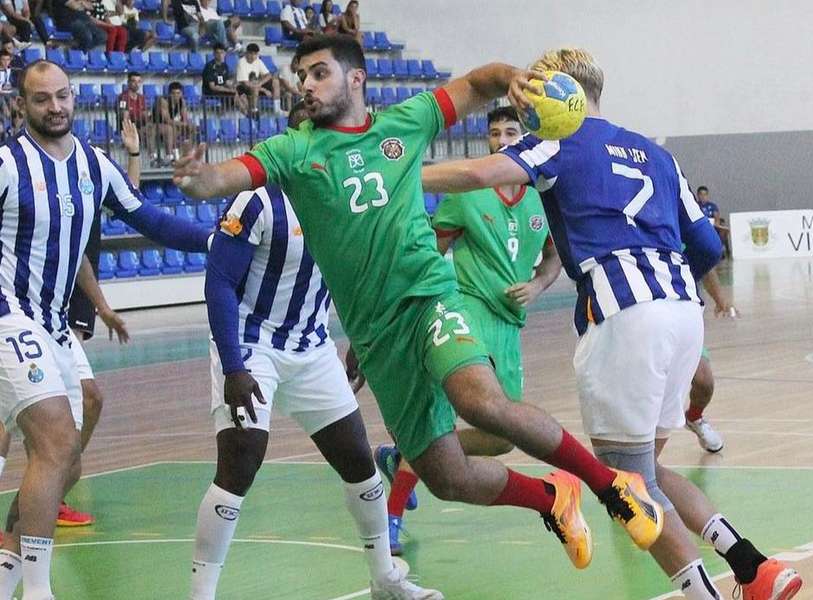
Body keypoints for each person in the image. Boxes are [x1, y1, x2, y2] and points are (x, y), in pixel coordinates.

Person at [174, 34, 665, 577]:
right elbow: (226, 177)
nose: (306, 86)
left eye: (318, 73)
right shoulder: (293, 150)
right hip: (376, 336)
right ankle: (553, 499)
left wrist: (509, 77)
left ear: (355, 78)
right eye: (301, 76)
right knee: (446, 476)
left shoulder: (405, 123)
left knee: (481, 403)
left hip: (429, 297)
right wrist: (202, 181)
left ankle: (612, 485)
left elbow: (477, 84)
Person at [421, 48, 803, 600]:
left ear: (561, 92)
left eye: (533, 91)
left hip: (624, 314)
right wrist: (671, 307)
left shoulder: (560, 138)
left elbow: (479, 172)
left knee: (626, 485)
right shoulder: (656, 153)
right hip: (679, 309)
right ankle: (753, 567)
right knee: (644, 469)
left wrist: (402, 171)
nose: (525, 105)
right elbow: (706, 245)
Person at [190, 99, 443, 600]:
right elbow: (218, 282)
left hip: (312, 345)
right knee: (241, 461)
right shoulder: (255, 200)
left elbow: (352, 271)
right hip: (252, 344)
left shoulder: (341, 195)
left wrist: (354, 337)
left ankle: (384, 579)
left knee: (359, 464)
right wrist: (235, 367)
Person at [0, 60, 211, 600]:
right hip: (8, 316)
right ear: (21, 106)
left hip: (53, 325)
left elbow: (151, 220)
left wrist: (217, 238)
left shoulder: (94, 166)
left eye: (63, 96)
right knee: (55, 440)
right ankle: (40, 592)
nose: (55, 107)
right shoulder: (6, 164)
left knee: (62, 459)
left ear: (75, 98)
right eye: (41, 98)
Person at [376, 105, 563, 555]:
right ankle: (391, 520)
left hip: (509, 324)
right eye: (494, 133)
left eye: (510, 132)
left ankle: (407, 456)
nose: (501, 140)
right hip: (466, 310)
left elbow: (556, 256)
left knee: (502, 439)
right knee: (442, 413)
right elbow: (432, 249)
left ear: (528, 137)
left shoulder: (544, 198)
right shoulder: (466, 194)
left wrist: (538, 284)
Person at [683, 266, 738, 454]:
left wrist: (720, 299)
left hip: (681, 318)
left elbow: (705, 263)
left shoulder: (682, 237)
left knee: (704, 382)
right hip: (642, 320)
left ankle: (695, 418)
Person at [153, 81, 196, 166]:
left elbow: (185, 118)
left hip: (171, 126)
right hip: (157, 125)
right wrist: (183, 124)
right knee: (170, 129)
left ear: (181, 94)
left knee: (192, 127)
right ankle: (171, 156)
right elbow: (167, 120)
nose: (176, 96)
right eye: (173, 93)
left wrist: (187, 125)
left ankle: (188, 153)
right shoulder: (163, 101)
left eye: (178, 93)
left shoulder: (182, 102)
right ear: (169, 94)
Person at [235, 43, 281, 116]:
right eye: (251, 54)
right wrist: (263, 89)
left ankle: (277, 108)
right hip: (244, 88)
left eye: (255, 54)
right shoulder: (241, 62)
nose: (253, 56)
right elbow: (245, 83)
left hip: (256, 85)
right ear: (246, 53)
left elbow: (268, 75)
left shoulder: (258, 61)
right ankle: (254, 110)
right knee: (255, 88)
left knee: (275, 81)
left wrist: (260, 84)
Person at [202, 43, 247, 113]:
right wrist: (229, 90)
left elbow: (226, 82)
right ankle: (247, 114)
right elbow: (212, 87)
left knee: (242, 91)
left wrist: (234, 85)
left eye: (222, 53)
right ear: (214, 54)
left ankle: (249, 111)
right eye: (217, 53)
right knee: (233, 94)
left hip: (222, 91)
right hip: (211, 93)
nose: (220, 55)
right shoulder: (209, 66)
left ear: (225, 54)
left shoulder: (224, 66)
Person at [697, 186, 731, 258]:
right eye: (701, 195)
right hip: (700, 227)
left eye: (705, 195)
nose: (703, 197)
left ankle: (718, 250)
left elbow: (717, 217)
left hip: (712, 226)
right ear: (698, 195)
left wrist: (716, 223)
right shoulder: (695, 205)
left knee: (724, 231)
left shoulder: (712, 206)